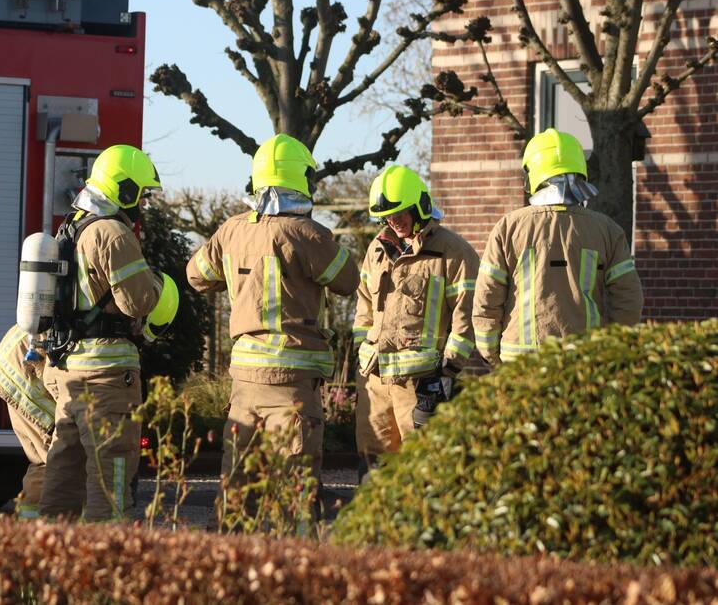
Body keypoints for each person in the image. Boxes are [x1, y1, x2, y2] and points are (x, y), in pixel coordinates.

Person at [186, 134, 359, 484]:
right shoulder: (308, 234)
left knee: (238, 488)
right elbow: (348, 280)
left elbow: (196, 275)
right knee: (293, 491)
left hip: (244, 381)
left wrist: (235, 279)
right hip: (292, 382)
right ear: (303, 179)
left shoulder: (231, 230)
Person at [38, 144, 178, 521]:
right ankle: (106, 553)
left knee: (63, 477)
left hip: (69, 369)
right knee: (110, 479)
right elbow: (138, 302)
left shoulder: (73, 225)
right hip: (107, 377)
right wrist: (157, 284)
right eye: (142, 195)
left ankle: (48, 551)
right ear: (125, 189)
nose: (143, 204)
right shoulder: (113, 232)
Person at [472, 128, 643, 364]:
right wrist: (611, 352)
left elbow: (487, 299)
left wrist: (492, 356)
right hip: (584, 360)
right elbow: (629, 301)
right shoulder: (607, 230)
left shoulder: (509, 227)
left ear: (533, 173)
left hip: (519, 364)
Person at [353, 165, 479, 471]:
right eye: (387, 216)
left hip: (422, 384)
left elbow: (467, 315)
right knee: (373, 462)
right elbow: (364, 305)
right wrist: (361, 352)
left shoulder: (453, 252)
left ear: (420, 207)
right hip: (375, 381)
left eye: (400, 214)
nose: (393, 221)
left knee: (424, 468)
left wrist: (448, 369)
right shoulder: (377, 249)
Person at [0, 325, 59, 518]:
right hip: (24, 374)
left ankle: (29, 518)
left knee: (43, 459)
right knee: (59, 455)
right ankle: (36, 520)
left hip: (13, 366)